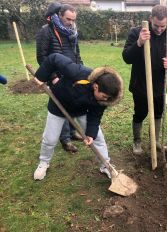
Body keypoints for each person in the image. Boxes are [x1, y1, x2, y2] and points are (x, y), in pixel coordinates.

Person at [33, 53, 123, 180]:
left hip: (81, 110)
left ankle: (106, 166)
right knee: (50, 139)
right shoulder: (78, 72)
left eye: (108, 98)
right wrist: (41, 76)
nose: (105, 100)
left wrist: (90, 134)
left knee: (97, 138)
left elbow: (95, 117)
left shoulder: (104, 99)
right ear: (96, 87)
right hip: (58, 105)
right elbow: (54, 58)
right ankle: (43, 163)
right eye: (104, 96)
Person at [122, 5, 167, 155]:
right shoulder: (136, 33)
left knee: (159, 113)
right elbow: (126, 57)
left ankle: (155, 141)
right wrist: (139, 43)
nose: (159, 29)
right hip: (140, 84)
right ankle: (137, 141)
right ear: (150, 19)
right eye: (156, 25)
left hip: (160, 85)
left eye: (163, 26)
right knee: (140, 113)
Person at [36, 2, 83, 153]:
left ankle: (72, 132)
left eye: (73, 20)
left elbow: (77, 54)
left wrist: (79, 71)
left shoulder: (72, 32)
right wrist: (53, 76)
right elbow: (41, 56)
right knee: (61, 107)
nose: (71, 23)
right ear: (59, 15)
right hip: (56, 76)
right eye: (68, 19)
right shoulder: (47, 31)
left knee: (71, 103)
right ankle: (66, 140)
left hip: (71, 74)